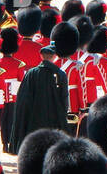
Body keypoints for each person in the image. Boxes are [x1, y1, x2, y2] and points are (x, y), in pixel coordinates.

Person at [8, 24, 76, 154]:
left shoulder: (31, 73)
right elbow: (64, 98)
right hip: (54, 117)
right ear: (54, 56)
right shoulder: (60, 74)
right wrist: (63, 114)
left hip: (33, 118)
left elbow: (23, 99)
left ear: (41, 56)